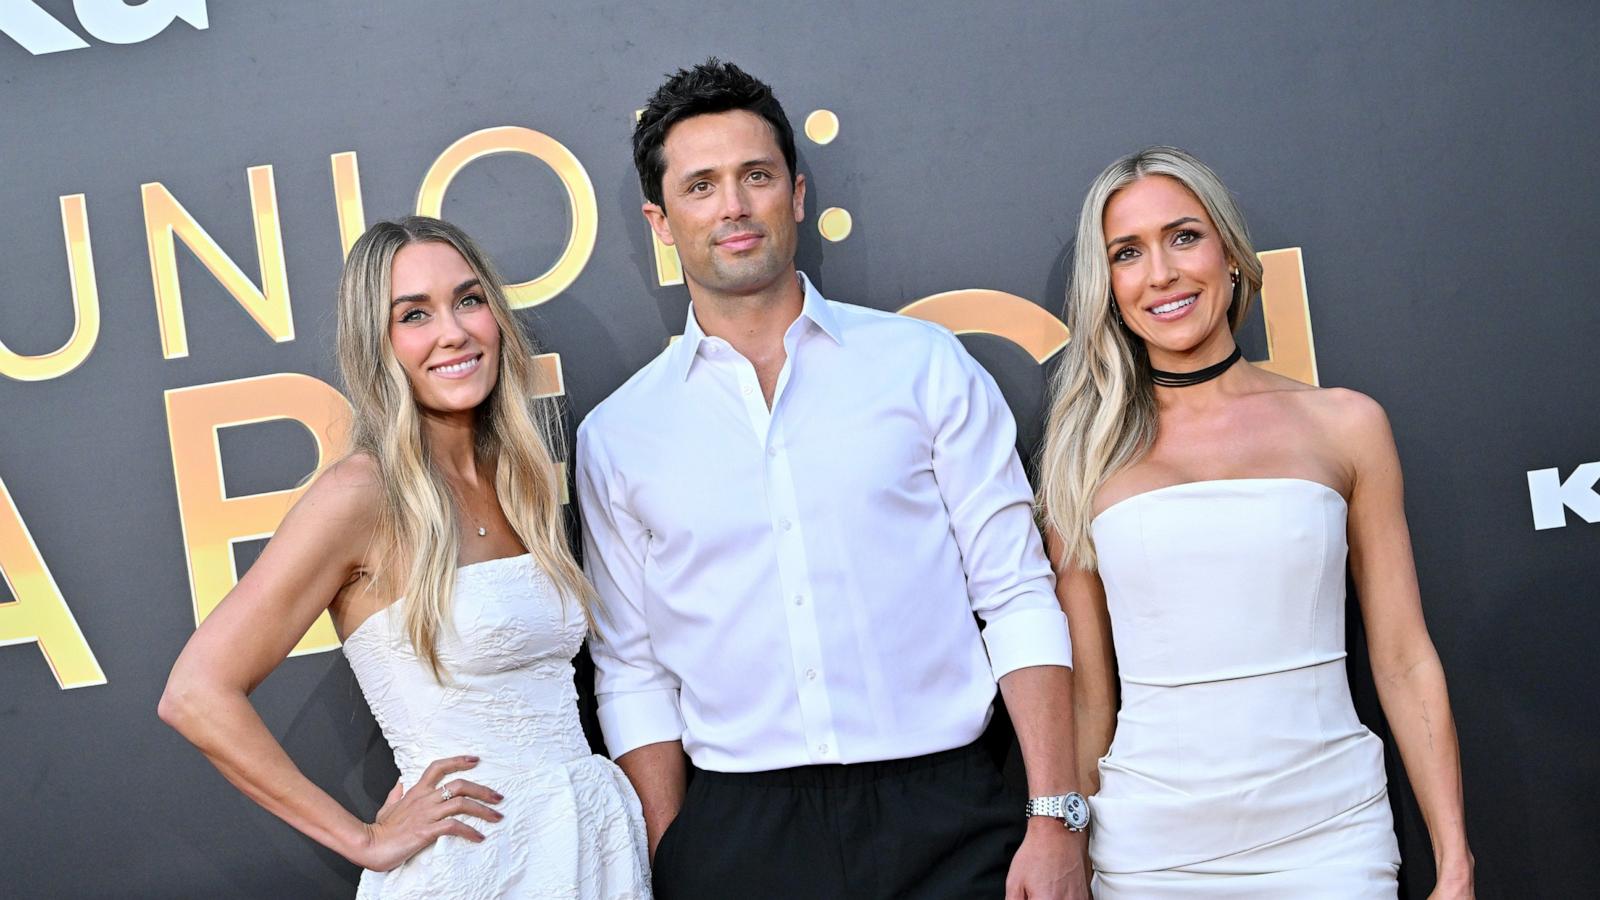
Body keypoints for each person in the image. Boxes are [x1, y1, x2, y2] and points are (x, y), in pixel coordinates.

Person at [575, 59, 1090, 900]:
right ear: (660, 222)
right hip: (738, 837)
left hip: (950, 813)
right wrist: (676, 854)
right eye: (700, 185)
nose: (734, 206)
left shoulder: (922, 366)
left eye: (756, 176)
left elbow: (1018, 594)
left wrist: (1052, 816)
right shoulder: (620, 436)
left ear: (798, 193)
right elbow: (631, 671)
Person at [158, 216, 650, 899]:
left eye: (469, 300)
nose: (453, 331)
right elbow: (195, 694)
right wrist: (363, 839)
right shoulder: (361, 496)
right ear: (377, 343)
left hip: (589, 848)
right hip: (475, 869)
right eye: (414, 315)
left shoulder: (519, 479)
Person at [1035, 146, 1474, 897]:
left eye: (1183, 236)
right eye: (1128, 253)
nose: (1163, 273)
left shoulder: (1345, 425)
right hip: (1151, 853)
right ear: (1106, 287)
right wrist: (1065, 843)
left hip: (1330, 837)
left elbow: (1402, 658)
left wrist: (1455, 864)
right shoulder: (1082, 460)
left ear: (1232, 254)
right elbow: (1087, 697)